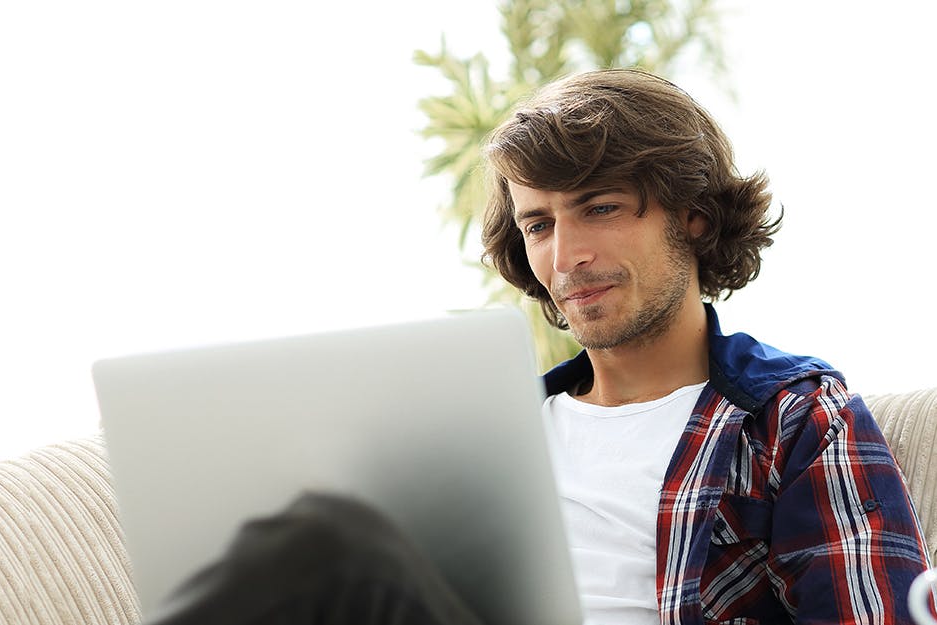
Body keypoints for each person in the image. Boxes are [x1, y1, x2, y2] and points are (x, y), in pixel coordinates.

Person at [146, 69, 932, 624]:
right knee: (304, 538)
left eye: (598, 207)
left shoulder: (791, 417)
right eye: (539, 224)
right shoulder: (499, 435)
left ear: (691, 216)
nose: (564, 257)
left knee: (329, 541)